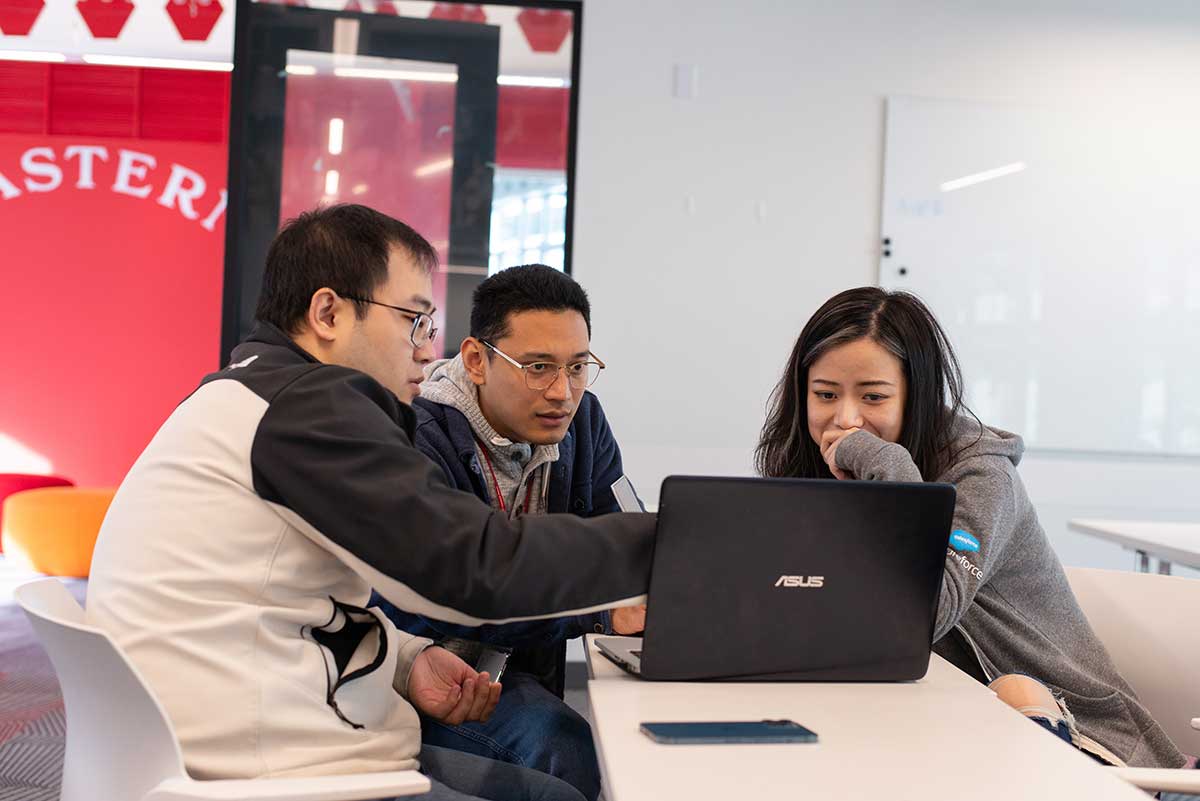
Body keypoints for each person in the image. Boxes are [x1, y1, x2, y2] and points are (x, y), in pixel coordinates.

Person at [86, 204, 654, 801]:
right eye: (412, 319)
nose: (422, 349)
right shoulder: (309, 407)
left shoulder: (248, 393)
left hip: (250, 740)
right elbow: (470, 568)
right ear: (328, 313)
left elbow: (294, 597)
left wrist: (407, 661)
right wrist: (668, 539)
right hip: (275, 770)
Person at [755, 286, 1188, 770]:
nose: (846, 419)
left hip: (1075, 745)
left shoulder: (982, 476)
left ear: (916, 395)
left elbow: (920, 616)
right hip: (932, 717)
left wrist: (890, 467)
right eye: (825, 394)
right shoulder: (818, 466)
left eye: (873, 396)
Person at [375, 265, 644, 801]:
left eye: (577, 366)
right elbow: (433, 598)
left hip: (515, 672)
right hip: (422, 674)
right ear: (476, 360)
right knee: (569, 752)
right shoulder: (416, 436)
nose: (562, 392)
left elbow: (617, 535)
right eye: (538, 367)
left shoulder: (582, 422)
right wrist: (598, 611)